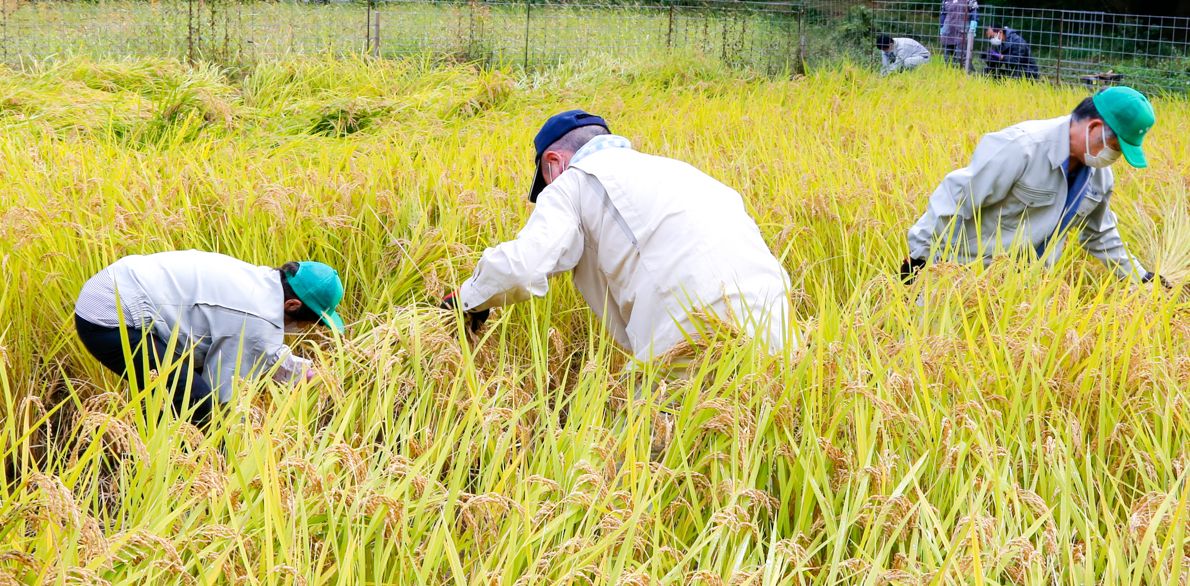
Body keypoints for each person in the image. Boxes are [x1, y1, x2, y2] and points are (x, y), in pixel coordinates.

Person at [443, 110, 793, 363]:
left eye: (547, 178)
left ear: (554, 162)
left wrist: (467, 299)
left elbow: (523, 266)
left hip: (691, 327)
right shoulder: (678, 170)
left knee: (651, 451)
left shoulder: (574, 179)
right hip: (776, 319)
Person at [902, 87, 1167, 287]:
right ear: (1095, 127)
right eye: (1116, 148)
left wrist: (1141, 277)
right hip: (966, 275)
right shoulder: (1021, 148)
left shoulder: (1099, 177)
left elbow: (1100, 233)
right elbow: (955, 200)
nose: (1114, 157)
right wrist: (918, 258)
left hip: (1027, 288)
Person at [74, 250, 346, 428]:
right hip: (110, 315)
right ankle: (179, 478)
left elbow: (266, 352)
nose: (303, 328)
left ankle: (152, 449)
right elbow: (222, 392)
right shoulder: (257, 319)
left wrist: (309, 374)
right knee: (202, 408)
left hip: (120, 282)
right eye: (310, 321)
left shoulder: (263, 283)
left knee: (176, 391)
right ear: (293, 306)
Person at [940, 0, 979, 67]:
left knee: (960, 57)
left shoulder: (970, 0)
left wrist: (973, 27)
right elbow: (943, 14)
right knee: (947, 58)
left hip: (962, 31)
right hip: (948, 31)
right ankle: (947, 74)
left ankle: (965, 74)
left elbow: (974, 14)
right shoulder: (945, 0)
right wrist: (941, 27)